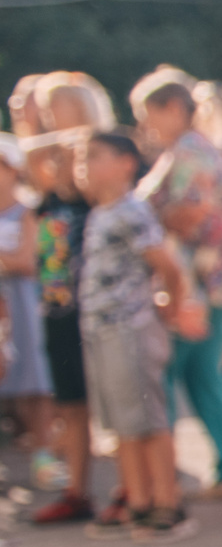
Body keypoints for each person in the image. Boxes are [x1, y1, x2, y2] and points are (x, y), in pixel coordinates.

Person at [75, 130, 207, 541]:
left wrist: (168, 301)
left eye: (95, 156)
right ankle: (139, 501)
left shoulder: (132, 212)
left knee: (148, 419)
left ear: (126, 163)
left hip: (130, 328)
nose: (86, 166)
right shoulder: (101, 212)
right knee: (123, 424)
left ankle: (167, 503)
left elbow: (166, 264)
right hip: (101, 329)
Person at [131, 66, 222, 500]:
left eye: (149, 113)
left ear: (175, 108)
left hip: (193, 289)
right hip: (203, 285)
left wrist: (142, 223)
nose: (146, 125)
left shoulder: (190, 152)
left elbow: (191, 214)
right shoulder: (186, 150)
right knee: (202, 377)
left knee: (166, 375)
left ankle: (163, 478)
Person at [25, 76, 114, 523]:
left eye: (51, 107)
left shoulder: (94, 165)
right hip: (56, 306)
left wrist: (69, 148)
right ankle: (77, 491)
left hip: (96, 309)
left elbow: (88, 189)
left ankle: (131, 490)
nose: (45, 117)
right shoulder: (48, 173)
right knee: (70, 403)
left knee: (112, 405)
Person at [0, 134, 53, 452]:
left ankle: (43, 452)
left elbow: (27, 261)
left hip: (22, 303)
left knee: (33, 377)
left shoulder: (29, 211)